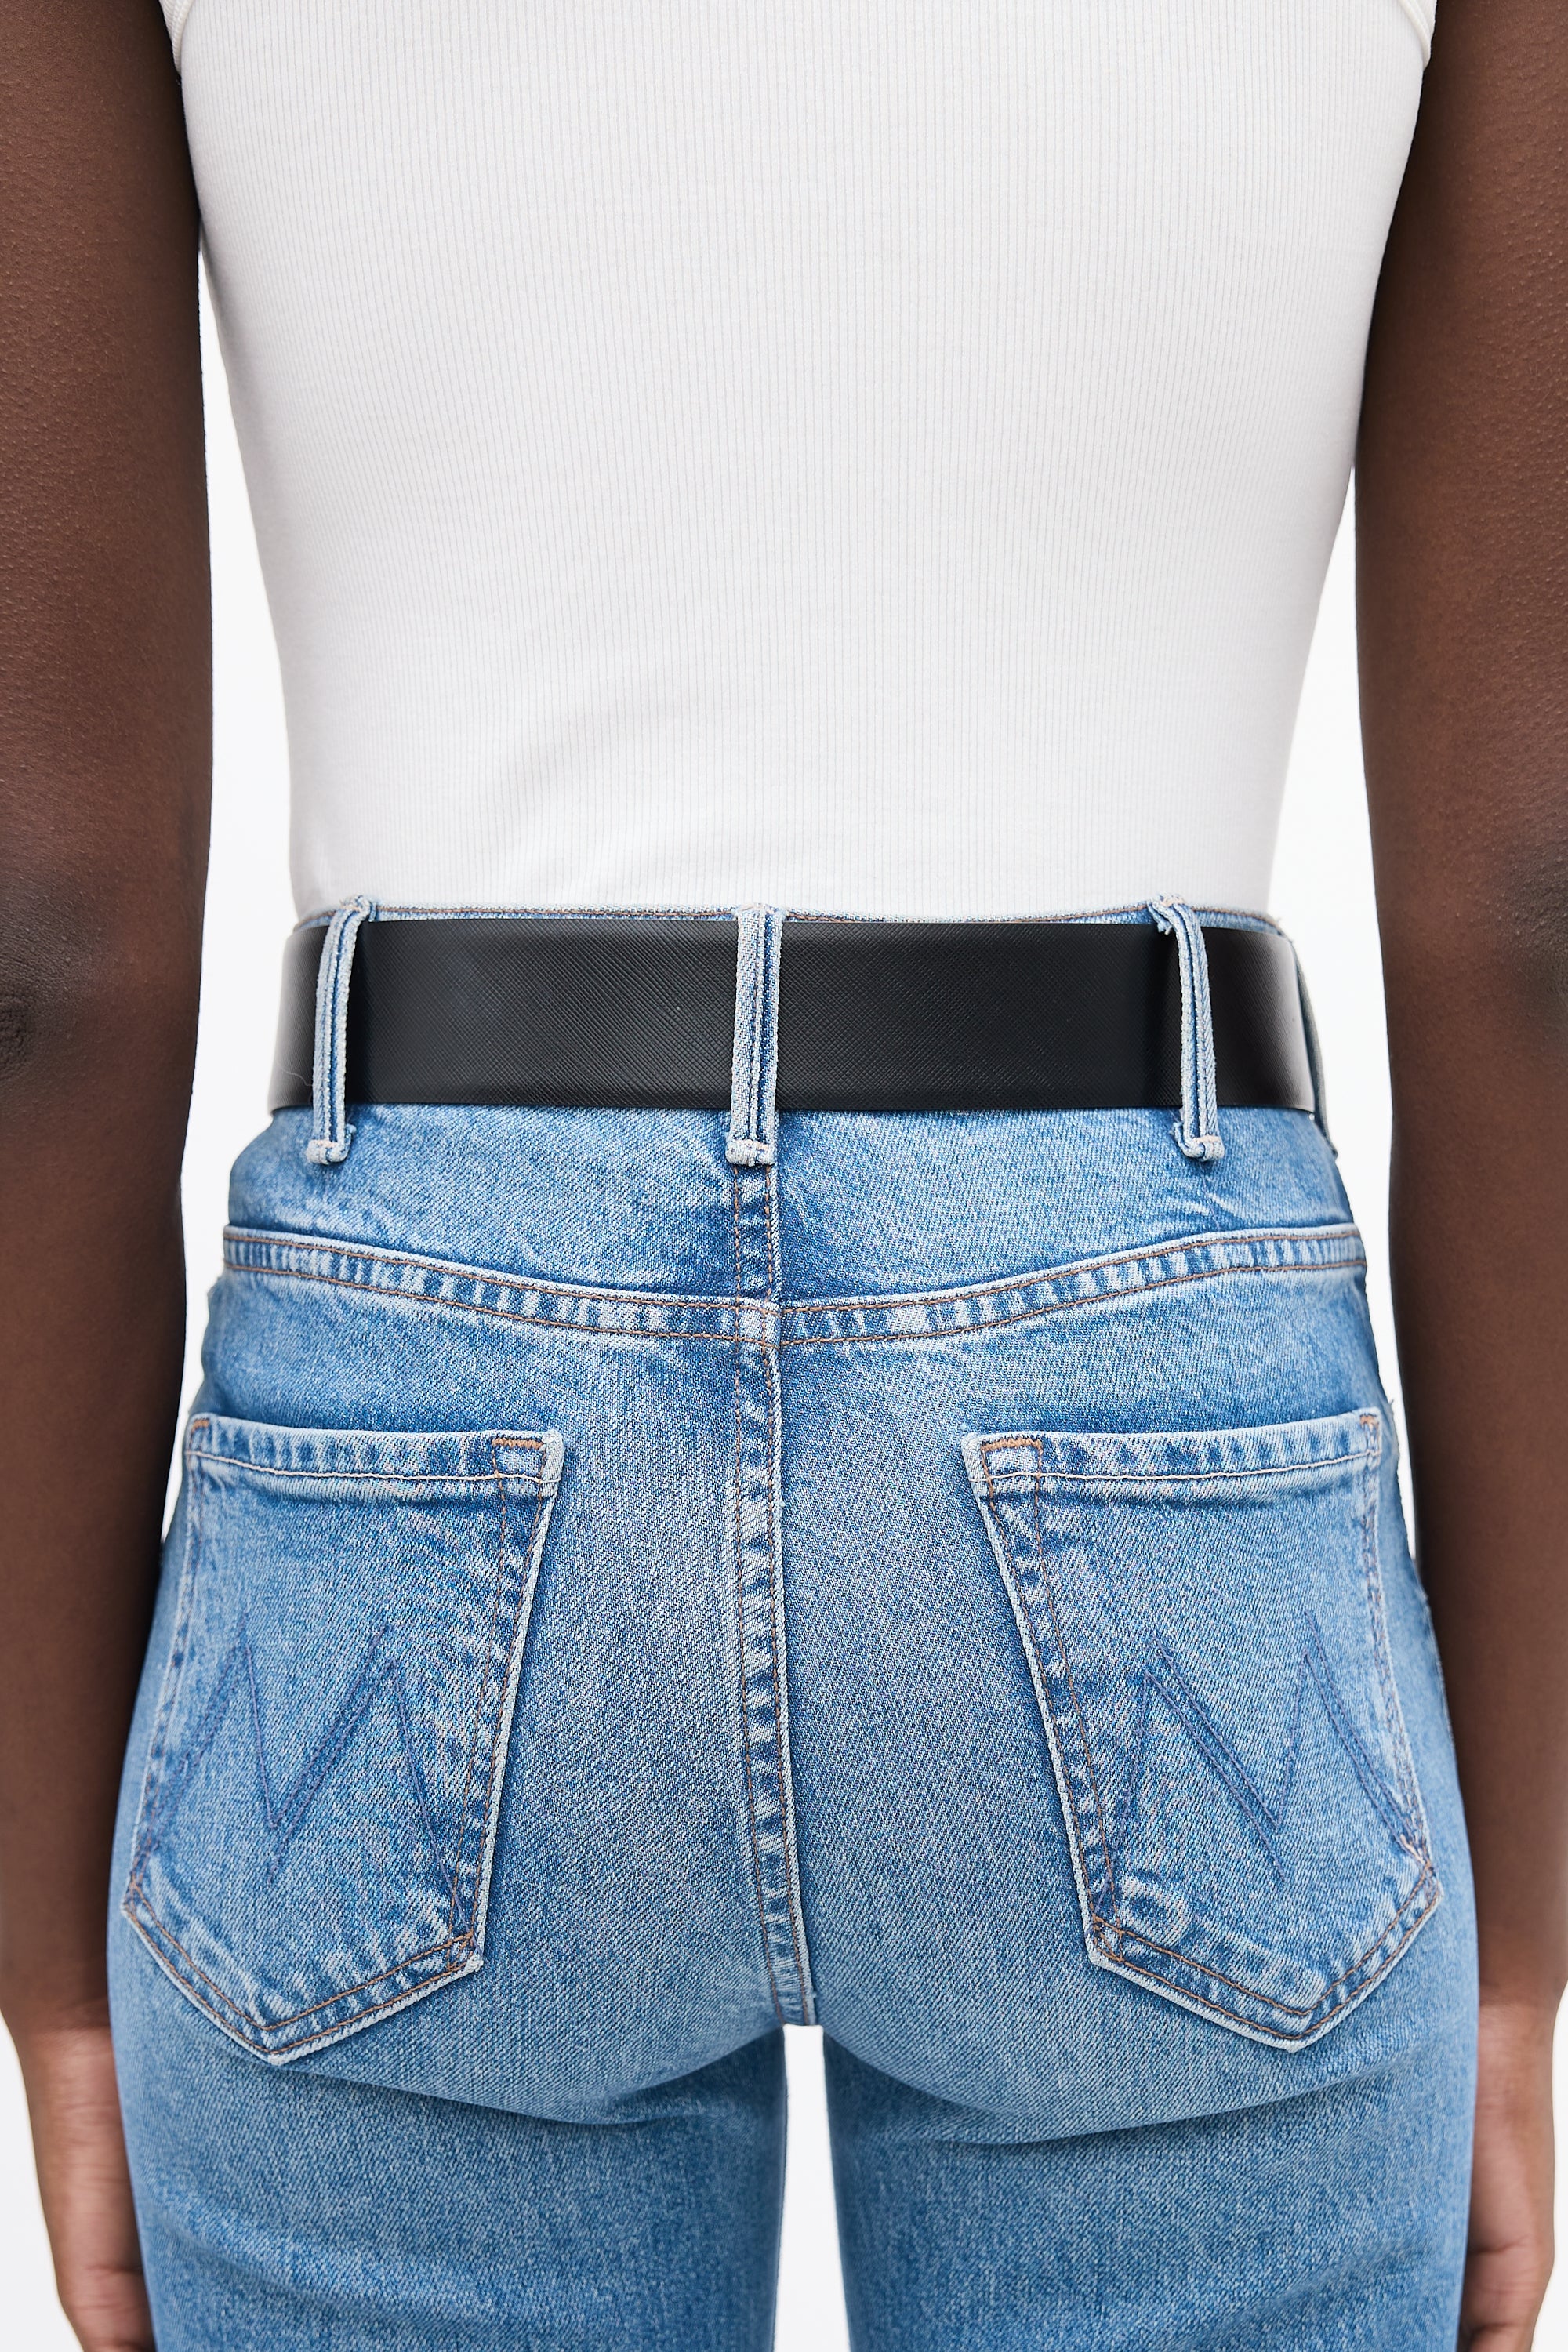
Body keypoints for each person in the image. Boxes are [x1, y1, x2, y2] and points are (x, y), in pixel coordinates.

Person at [2, 0, 1563, 2344]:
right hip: (1151, 1383)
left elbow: (39, 952)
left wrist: (51, 1937)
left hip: (422, 1387)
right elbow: (1537, 919)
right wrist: (1520, 1922)